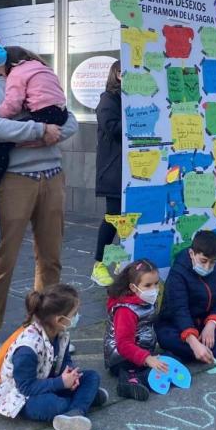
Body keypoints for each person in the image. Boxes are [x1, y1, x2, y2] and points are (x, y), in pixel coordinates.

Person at [0, 29, 79, 365]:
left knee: (51, 259)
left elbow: (68, 122)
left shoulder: (32, 71)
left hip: (52, 177)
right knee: (1, 262)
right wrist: (40, 132)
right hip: (13, 180)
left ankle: (44, 329)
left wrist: (43, 131)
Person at [0, 285, 106, 430]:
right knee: (56, 404)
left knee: (92, 376)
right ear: (60, 319)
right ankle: (81, 403)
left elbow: (65, 359)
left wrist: (71, 373)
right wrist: (61, 383)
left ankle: (76, 410)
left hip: (49, 380)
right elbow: (25, 387)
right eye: (74, 313)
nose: (77, 316)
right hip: (23, 397)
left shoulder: (60, 332)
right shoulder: (27, 349)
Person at [155, 231, 216, 364]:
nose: (208, 266)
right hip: (178, 326)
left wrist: (211, 324)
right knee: (166, 338)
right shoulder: (178, 274)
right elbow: (179, 311)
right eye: (203, 261)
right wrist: (193, 341)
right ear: (192, 254)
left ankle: (191, 354)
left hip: (203, 325)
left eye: (212, 262)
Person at [0, 47, 71, 187]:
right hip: (61, 112)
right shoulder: (43, 67)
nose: (0, 75)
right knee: (26, 136)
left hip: (45, 113)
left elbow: (13, 104)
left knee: (3, 144)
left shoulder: (16, 73)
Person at [104, 260, 168, 401]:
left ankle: (136, 377)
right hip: (120, 357)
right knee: (137, 368)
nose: (154, 289)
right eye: (148, 285)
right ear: (133, 288)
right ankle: (129, 382)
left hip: (141, 350)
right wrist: (147, 358)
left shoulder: (145, 299)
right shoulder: (125, 310)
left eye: (156, 283)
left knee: (169, 360)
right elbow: (124, 345)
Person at [92, 61, 122, 286]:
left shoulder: (136, 97)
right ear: (117, 75)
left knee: (128, 219)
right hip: (115, 169)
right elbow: (112, 128)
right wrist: (138, 121)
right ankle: (99, 264)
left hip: (138, 169)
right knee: (113, 217)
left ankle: (121, 260)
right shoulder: (108, 100)